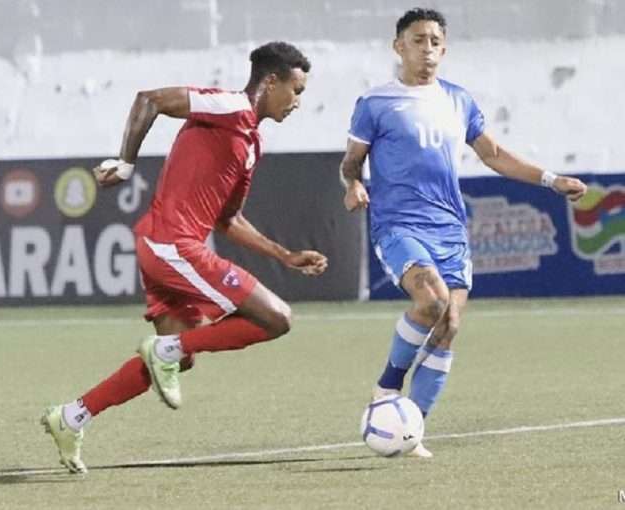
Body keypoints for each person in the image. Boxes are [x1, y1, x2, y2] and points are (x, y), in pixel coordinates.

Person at [41, 41, 328, 474]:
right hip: (171, 246)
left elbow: (227, 220)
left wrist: (283, 254)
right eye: (296, 89)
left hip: (170, 247)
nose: (298, 102)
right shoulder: (228, 105)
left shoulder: (251, 143)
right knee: (276, 318)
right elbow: (150, 100)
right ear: (271, 81)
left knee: (180, 355)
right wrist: (125, 162)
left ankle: (71, 417)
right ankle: (167, 348)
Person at [339, 8, 587, 458]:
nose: (427, 49)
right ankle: (386, 387)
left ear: (444, 49)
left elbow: (493, 154)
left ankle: (411, 428)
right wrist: (354, 184)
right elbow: (351, 162)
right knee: (430, 302)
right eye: (418, 40)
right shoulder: (375, 103)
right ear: (399, 46)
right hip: (399, 223)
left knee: (449, 323)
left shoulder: (458, 99)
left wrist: (552, 180)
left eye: (435, 41)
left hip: (449, 228)